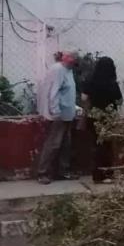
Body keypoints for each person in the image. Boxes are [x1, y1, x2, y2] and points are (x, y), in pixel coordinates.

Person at [36, 51, 78, 184]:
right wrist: (55, 112)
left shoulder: (68, 70)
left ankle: (63, 171)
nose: (75, 62)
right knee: (53, 144)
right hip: (58, 115)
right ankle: (42, 172)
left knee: (66, 144)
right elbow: (53, 92)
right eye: (73, 59)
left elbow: (67, 92)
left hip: (67, 114)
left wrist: (75, 107)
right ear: (66, 58)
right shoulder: (58, 70)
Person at [80, 57, 123, 183]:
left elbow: (83, 98)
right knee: (107, 146)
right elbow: (119, 100)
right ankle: (105, 174)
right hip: (108, 118)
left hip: (93, 117)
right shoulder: (112, 83)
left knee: (97, 145)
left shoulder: (90, 81)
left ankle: (97, 174)